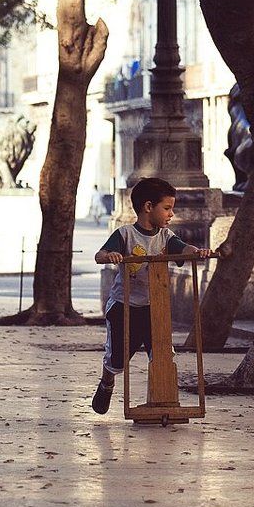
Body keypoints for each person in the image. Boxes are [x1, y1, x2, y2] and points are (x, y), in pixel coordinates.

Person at [92, 177, 211, 415]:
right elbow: (100, 255)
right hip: (124, 306)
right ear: (148, 207)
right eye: (166, 208)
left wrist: (197, 252)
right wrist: (111, 256)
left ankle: (161, 400)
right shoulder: (125, 234)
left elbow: (182, 248)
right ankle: (107, 382)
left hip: (154, 307)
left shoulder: (165, 237)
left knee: (162, 355)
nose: (171, 214)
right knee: (118, 359)